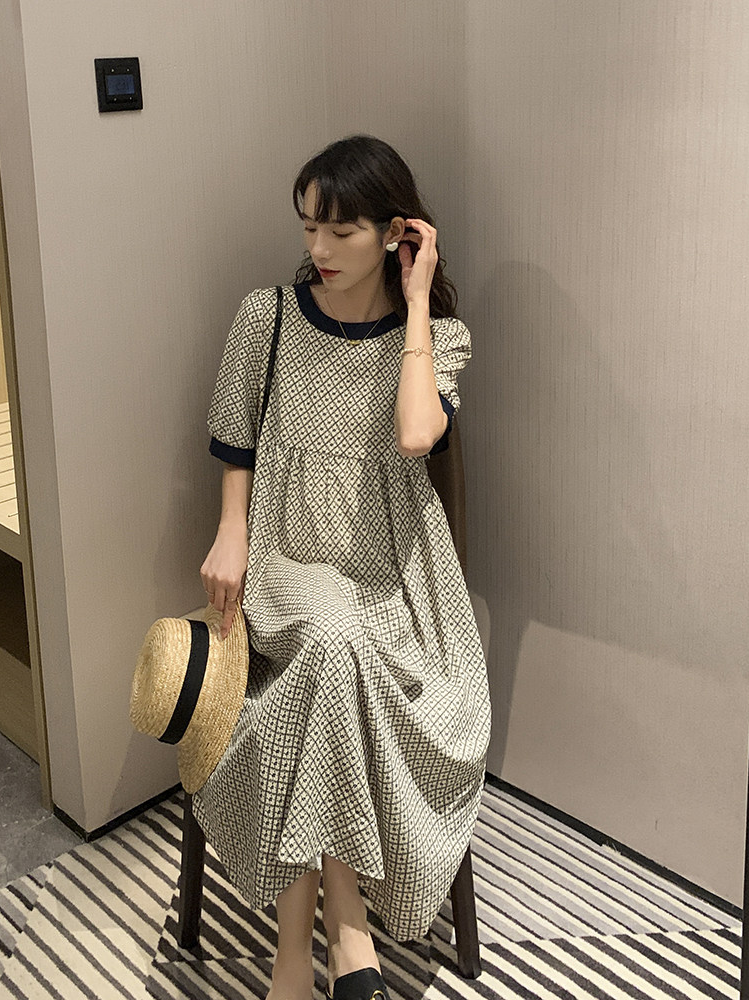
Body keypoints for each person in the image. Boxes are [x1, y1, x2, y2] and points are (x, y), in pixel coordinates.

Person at [197, 135, 491, 1000]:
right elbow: (234, 439)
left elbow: (415, 435)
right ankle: (345, 932)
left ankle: (300, 947)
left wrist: (414, 302)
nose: (317, 248)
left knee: (336, 659)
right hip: (288, 556)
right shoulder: (266, 317)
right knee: (331, 638)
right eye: (307, 228)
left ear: (397, 233)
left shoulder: (439, 339)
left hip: (396, 575)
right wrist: (229, 532)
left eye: (340, 231)